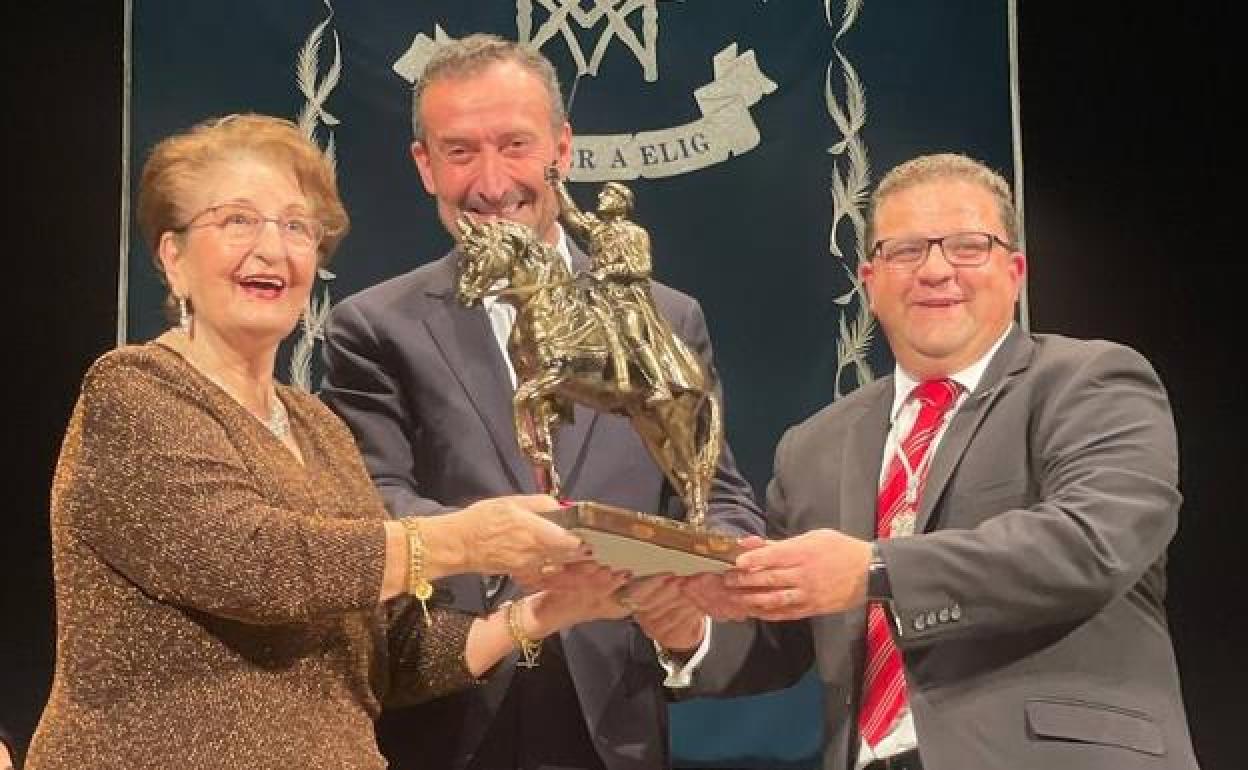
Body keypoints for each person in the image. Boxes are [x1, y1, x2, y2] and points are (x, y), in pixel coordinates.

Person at [25, 113, 634, 770]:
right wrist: (465, 540)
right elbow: (254, 563)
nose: (272, 248)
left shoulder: (320, 429)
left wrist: (542, 613)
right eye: (236, 220)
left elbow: (384, 653)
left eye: (296, 227)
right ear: (172, 258)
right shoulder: (136, 390)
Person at [321, 34, 762, 770]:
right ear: (424, 165)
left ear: (562, 146)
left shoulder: (665, 315)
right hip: (448, 714)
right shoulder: (374, 326)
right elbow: (371, 503)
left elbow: (712, 494)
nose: (492, 182)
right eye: (459, 152)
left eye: (515, 145)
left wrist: (694, 594)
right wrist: (500, 546)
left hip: (614, 726)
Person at [683, 153, 1200, 770]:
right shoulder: (813, 445)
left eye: (967, 247)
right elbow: (779, 638)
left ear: (1015, 272)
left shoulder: (1092, 382)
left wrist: (875, 569)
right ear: (870, 283)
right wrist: (685, 625)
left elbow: (1091, 543)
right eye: (905, 252)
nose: (934, 270)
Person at [554, 178, 699, 405]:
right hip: (595, 298)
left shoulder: (634, 233)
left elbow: (642, 267)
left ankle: (658, 384)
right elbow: (572, 216)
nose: (601, 198)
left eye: (607, 195)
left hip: (625, 300)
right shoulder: (598, 230)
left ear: (621, 203)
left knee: (632, 335)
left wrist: (608, 271)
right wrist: (556, 186)